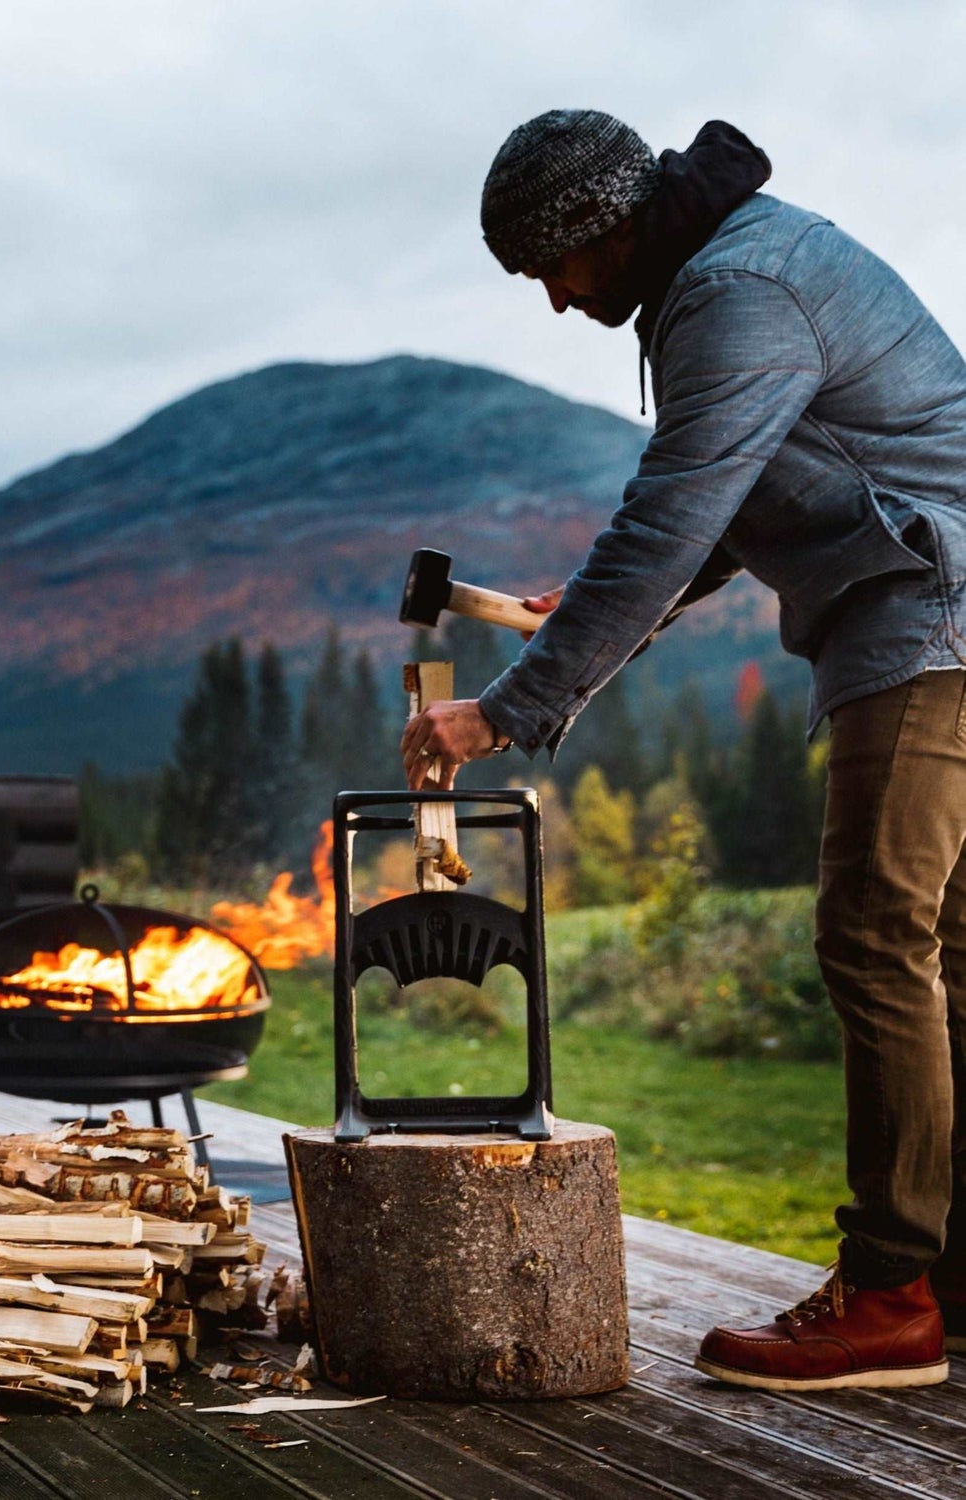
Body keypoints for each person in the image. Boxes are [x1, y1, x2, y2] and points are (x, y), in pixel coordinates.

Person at [401, 109, 966, 1392]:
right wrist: (604, 607)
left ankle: (887, 1295)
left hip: (930, 615)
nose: (552, 303)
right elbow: (733, 510)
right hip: (940, 605)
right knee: (946, 953)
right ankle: (947, 1277)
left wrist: (504, 708)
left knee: (877, 935)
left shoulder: (735, 290)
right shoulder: (734, 266)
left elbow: (676, 508)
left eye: (552, 268)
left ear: (604, 226)